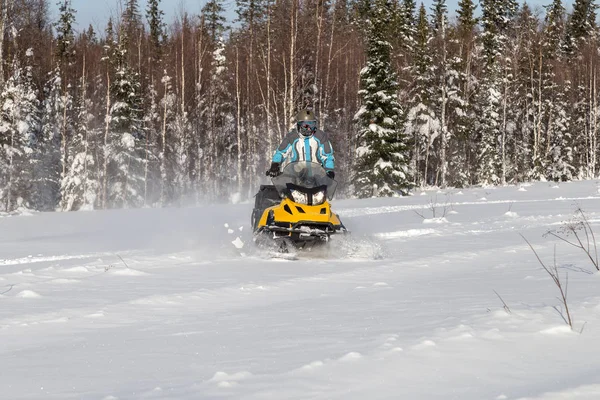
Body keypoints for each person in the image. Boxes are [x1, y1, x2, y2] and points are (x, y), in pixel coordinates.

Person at [266, 109, 335, 179]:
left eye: (311, 125)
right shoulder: (292, 137)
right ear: (299, 125)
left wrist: (329, 170)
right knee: (284, 187)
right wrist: (275, 164)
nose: (308, 129)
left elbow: (327, 156)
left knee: (326, 188)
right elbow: (281, 152)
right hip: (296, 177)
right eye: (305, 125)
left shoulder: (321, 137)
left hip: (317, 178)